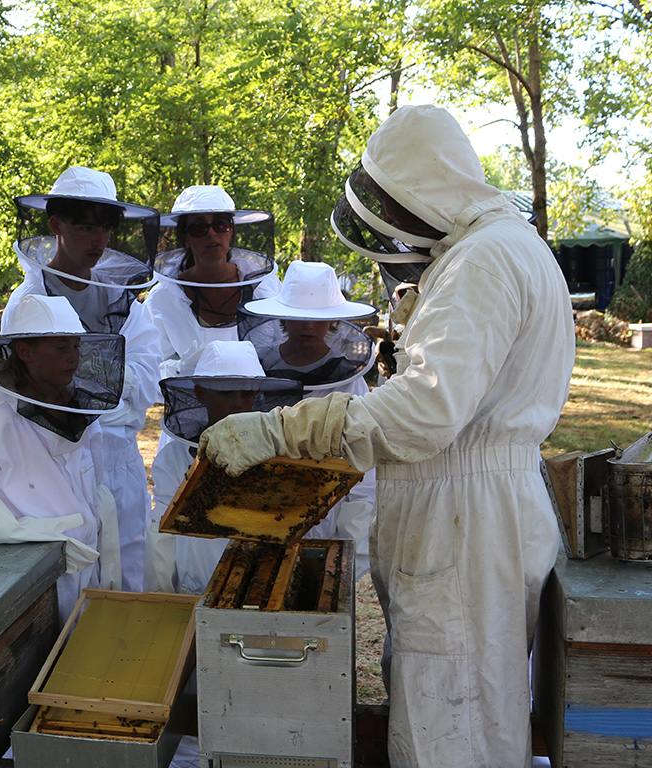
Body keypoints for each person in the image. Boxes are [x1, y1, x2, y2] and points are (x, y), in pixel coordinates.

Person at [199, 105, 574, 768]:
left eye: (394, 204)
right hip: (476, 518)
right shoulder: (502, 247)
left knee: (450, 737)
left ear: (423, 188)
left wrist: (284, 426)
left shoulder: (482, 261)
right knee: (472, 715)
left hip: (463, 523)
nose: (391, 223)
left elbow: (427, 411)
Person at [5, 166, 161, 592]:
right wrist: (110, 372)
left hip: (120, 456)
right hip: (53, 458)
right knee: (68, 578)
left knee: (128, 567)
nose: (99, 239)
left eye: (106, 228)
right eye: (86, 226)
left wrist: (75, 368)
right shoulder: (26, 303)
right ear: (56, 225)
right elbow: (24, 391)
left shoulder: (126, 302)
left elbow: (148, 380)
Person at [0, 294, 124, 625]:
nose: (72, 358)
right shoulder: (1, 421)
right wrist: (23, 530)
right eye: (60, 348)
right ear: (25, 352)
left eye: (75, 347)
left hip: (87, 558)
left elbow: (94, 486)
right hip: (37, 569)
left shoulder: (80, 411)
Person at [238, 259, 378, 579]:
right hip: (258, 512)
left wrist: (349, 545)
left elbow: (362, 467)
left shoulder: (350, 382)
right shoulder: (257, 370)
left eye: (318, 319)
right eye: (300, 317)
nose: (308, 326)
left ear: (333, 322)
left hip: (326, 517)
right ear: (283, 317)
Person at [144, 339, 303, 594]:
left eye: (247, 393)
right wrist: (161, 597)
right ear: (200, 393)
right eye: (226, 393)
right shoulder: (174, 457)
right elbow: (162, 533)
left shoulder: (279, 455)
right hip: (195, 583)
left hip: (259, 583)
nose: (238, 403)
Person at [142, 185, 281, 383]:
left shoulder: (266, 288)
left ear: (231, 230)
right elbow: (148, 367)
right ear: (185, 237)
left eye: (221, 224)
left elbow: (285, 348)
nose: (212, 234)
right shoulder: (163, 299)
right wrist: (186, 370)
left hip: (258, 406)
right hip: (191, 408)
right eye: (199, 227)